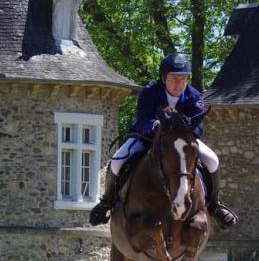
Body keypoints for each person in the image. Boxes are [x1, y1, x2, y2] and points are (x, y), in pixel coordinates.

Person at [89, 53, 239, 228]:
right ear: (163, 78)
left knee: (213, 160)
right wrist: (154, 126)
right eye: (174, 78)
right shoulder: (149, 92)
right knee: (117, 161)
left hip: (182, 142)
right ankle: (107, 201)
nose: (179, 83)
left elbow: (198, 127)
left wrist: (185, 125)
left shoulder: (195, 96)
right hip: (148, 139)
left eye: (183, 79)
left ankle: (214, 204)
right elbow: (141, 119)